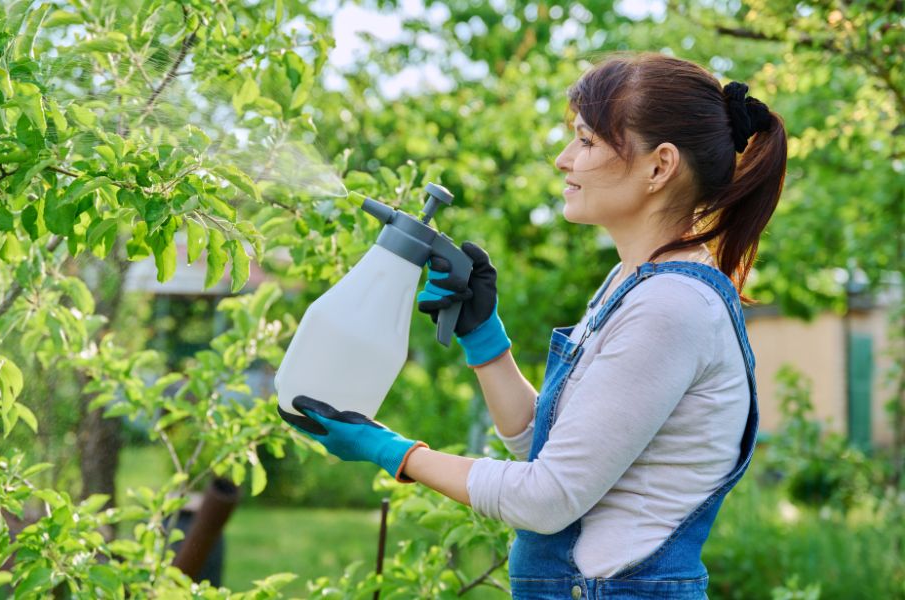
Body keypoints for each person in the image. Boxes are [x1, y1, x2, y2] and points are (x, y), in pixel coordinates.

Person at [279, 52, 787, 599]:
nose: (563, 159)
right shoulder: (630, 283)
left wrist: (390, 450)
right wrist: (485, 339)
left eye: (587, 141)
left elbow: (545, 499)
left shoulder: (670, 308)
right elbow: (550, 454)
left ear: (659, 166)